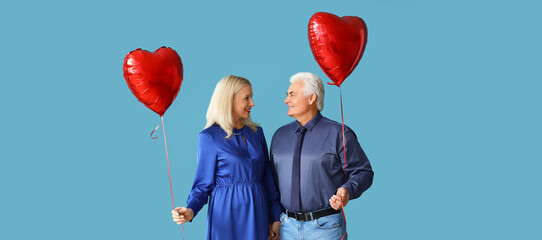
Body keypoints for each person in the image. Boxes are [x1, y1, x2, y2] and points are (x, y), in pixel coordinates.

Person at [171, 75, 281, 240]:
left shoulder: (257, 133)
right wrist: (191, 210)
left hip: (258, 210)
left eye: (252, 97)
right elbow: (202, 184)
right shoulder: (209, 137)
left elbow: (267, 177)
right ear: (229, 100)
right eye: (247, 98)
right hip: (227, 212)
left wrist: (276, 217)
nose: (252, 103)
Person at [270, 72, 374, 240]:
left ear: (311, 98)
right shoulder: (279, 136)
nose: (286, 100)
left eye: (292, 95)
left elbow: (364, 172)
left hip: (326, 228)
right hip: (285, 227)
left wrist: (347, 190)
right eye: (287, 95)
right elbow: (272, 182)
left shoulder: (339, 133)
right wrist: (273, 219)